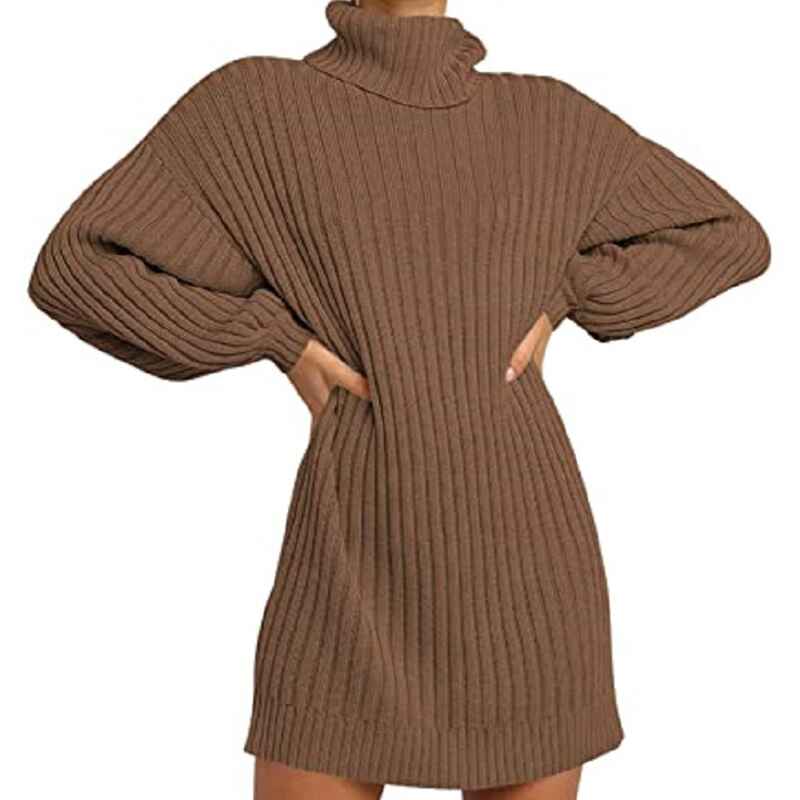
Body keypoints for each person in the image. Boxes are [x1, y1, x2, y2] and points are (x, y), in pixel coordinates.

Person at [27, 1, 771, 798]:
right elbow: (78, 267)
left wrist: (566, 298)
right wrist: (276, 339)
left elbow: (729, 233)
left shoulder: (546, 116)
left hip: (527, 568)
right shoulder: (257, 107)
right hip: (350, 562)